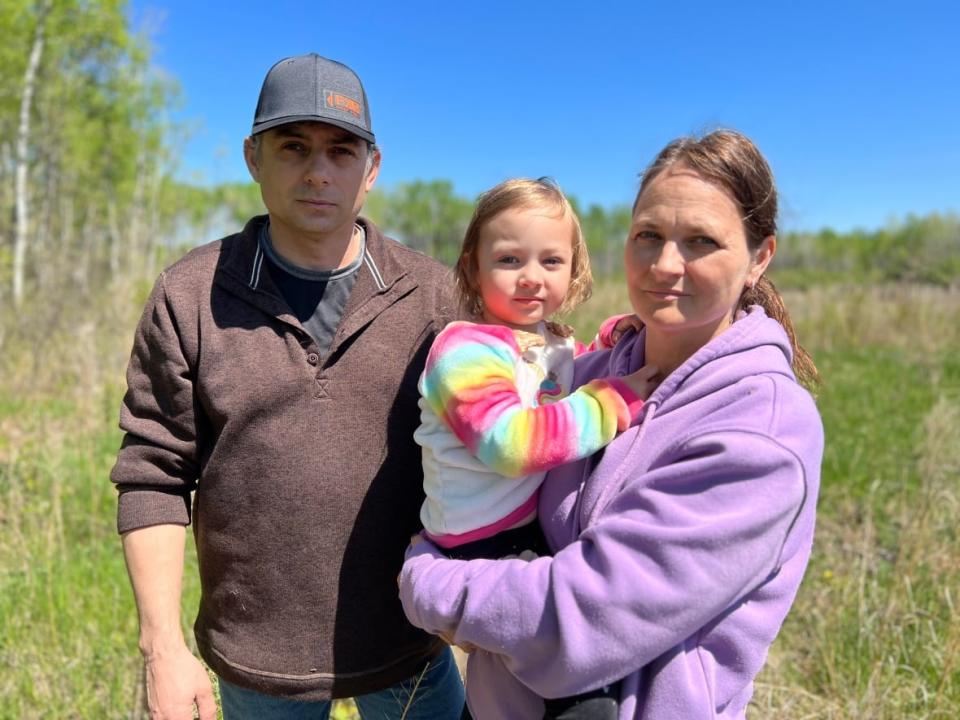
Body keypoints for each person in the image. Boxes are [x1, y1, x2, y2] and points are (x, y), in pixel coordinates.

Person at [399, 129, 824, 719]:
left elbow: (584, 621)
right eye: (648, 236)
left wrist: (431, 586)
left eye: (701, 241)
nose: (666, 265)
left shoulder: (761, 431)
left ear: (760, 257)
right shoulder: (598, 372)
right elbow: (534, 404)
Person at [111, 53, 464, 719]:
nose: (317, 171)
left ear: (372, 168)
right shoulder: (190, 295)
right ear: (253, 156)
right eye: (293, 146)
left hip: (411, 641)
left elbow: (493, 446)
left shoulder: (436, 297)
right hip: (258, 663)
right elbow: (153, 474)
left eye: (341, 150)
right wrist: (162, 648)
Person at [413, 178, 659, 718]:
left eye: (551, 260)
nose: (532, 277)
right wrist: (611, 403)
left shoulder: (550, 339)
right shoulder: (464, 350)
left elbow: (557, 379)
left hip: (521, 529)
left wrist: (616, 340)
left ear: (574, 271)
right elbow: (509, 441)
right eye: (508, 258)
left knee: (542, 675)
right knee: (580, 680)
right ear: (473, 269)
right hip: (479, 540)